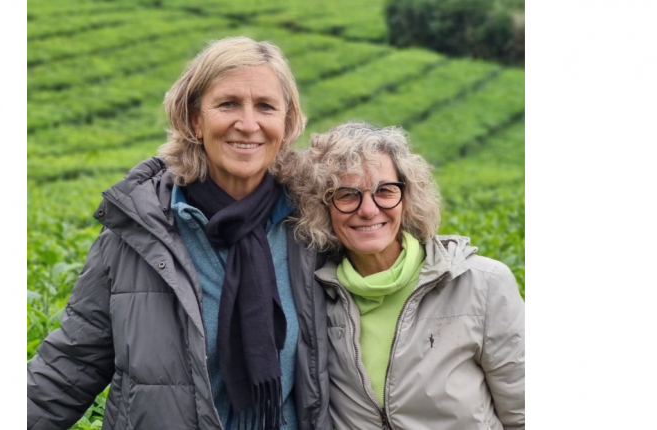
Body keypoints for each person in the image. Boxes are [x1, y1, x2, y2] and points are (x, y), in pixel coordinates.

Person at [27, 37, 331, 430]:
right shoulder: (141, 229)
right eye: (228, 104)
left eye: (266, 107)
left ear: (286, 123)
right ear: (195, 120)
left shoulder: (314, 225)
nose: (248, 123)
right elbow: (70, 366)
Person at [290, 122, 525, 430]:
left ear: (407, 197)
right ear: (323, 207)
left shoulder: (484, 284)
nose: (368, 210)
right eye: (347, 195)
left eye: (385, 191)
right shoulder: (313, 297)